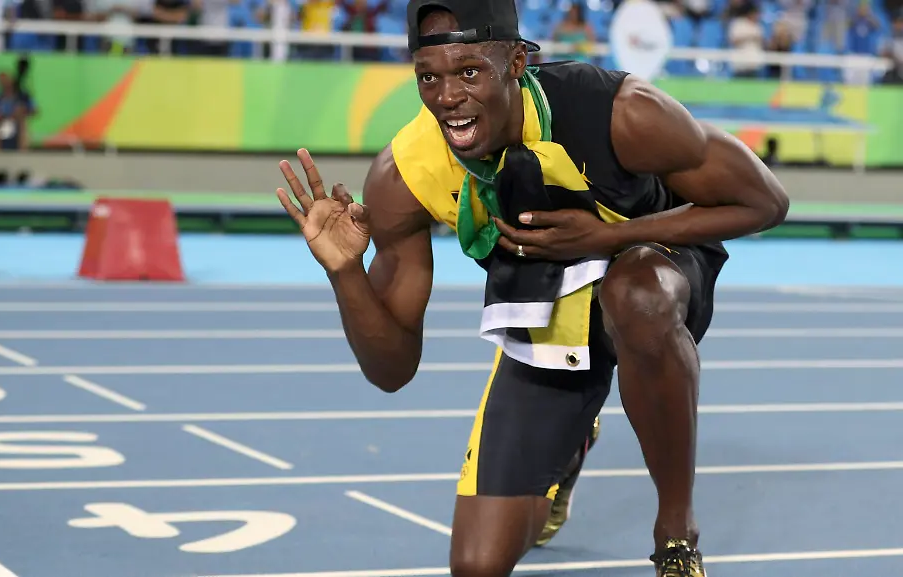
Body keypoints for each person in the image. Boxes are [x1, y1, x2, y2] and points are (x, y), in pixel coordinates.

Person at [275, 0, 789, 574]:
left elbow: (765, 202)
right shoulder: (406, 174)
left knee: (636, 295)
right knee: (476, 566)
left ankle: (675, 531)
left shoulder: (621, 112)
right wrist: (345, 272)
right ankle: (572, 441)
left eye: (469, 71)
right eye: (429, 77)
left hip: (656, 264)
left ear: (516, 62)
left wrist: (609, 237)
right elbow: (391, 372)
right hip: (545, 297)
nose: (447, 97)